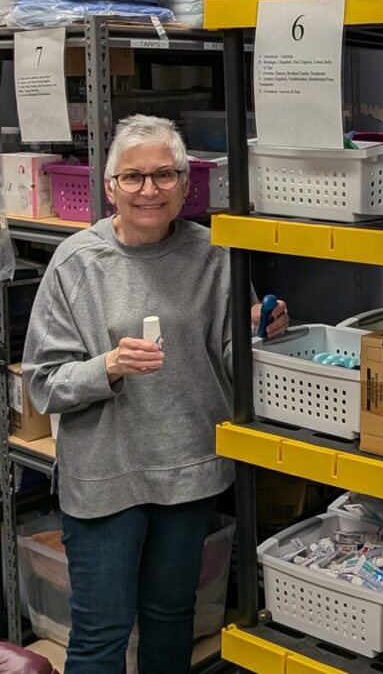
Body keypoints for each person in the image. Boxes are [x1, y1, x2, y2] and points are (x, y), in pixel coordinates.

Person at [22, 114, 288, 674]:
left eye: (164, 175)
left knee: (172, 618)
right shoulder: (76, 264)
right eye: (133, 178)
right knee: (100, 633)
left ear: (187, 184)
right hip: (104, 479)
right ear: (109, 186)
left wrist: (262, 331)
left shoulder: (216, 255)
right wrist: (108, 368)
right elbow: (43, 383)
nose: (149, 190)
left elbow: (236, 370)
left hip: (188, 472)